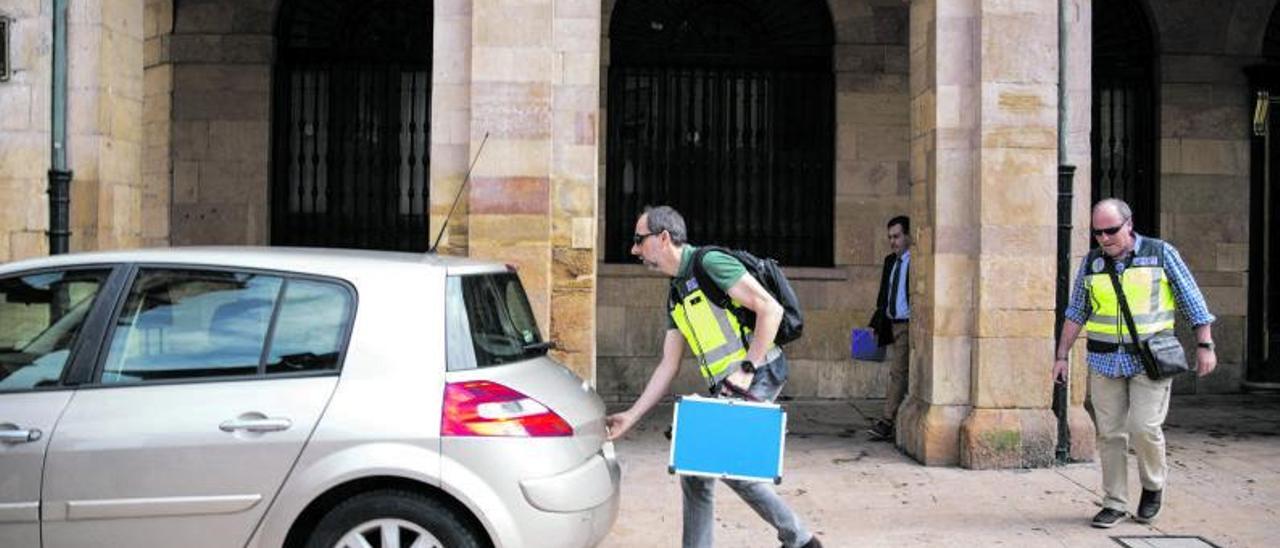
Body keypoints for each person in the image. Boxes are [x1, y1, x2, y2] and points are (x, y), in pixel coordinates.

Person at [605, 205, 821, 548]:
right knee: (695, 468)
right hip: (731, 384)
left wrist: (748, 368)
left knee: (727, 462)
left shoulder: (709, 263)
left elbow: (771, 309)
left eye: (638, 240)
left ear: (663, 238)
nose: (634, 250)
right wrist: (632, 416)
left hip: (760, 371)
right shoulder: (676, 292)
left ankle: (801, 540)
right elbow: (668, 364)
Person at [1051, 198, 1217, 528]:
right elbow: (1076, 312)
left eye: (1110, 231)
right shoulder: (1092, 263)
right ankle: (1114, 501)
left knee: (1143, 428)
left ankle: (1153, 486)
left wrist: (1205, 345)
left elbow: (1192, 301)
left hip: (1150, 359)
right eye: (1097, 233)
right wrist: (1061, 355)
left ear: (1129, 224)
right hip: (1104, 359)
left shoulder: (1161, 254)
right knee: (1110, 434)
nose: (1104, 238)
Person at [866, 215, 911, 441]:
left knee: (898, 373)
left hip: (907, 325)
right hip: (891, 324)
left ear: (908, 236)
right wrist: (876, 322)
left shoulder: (916, 262)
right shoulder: (890, 261)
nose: (893, 241)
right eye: (890, 237)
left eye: (897, 236)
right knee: (898, 372)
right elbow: (884, 295)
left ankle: (887, 420)